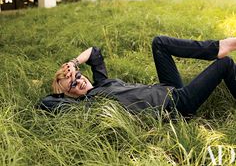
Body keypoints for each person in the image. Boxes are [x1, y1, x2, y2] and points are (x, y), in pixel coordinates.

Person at [52, 35, 236, 117]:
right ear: (70, 95)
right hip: (175, 105)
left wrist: (74, 63)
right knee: (225, 64)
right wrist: (62, 91)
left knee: (159, 43)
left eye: (77, 76)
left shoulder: (102, 82)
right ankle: (222, 49)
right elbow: (47, 102)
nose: (79, 82)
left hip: (167, 88)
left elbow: (95, 53)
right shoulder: (89, 105)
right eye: (72, 85)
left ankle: (217, 46)